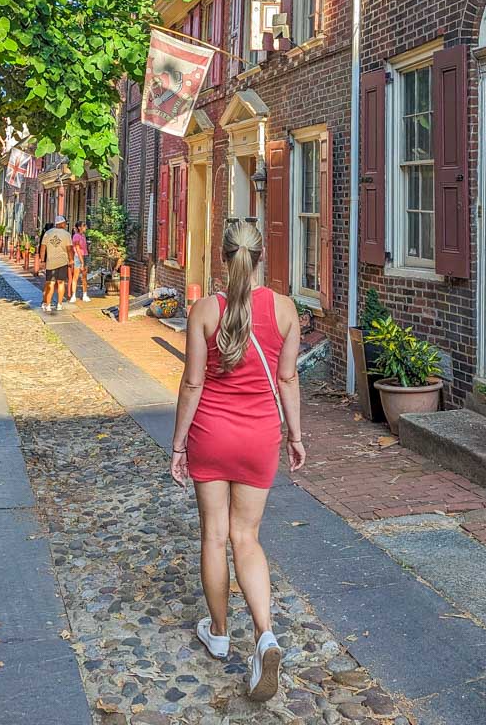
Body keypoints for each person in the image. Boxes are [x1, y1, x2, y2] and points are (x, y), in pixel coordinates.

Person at [170, 220, 305, 703]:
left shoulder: (205, 310)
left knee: (214, 534)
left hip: (212, 434)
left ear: (223, 257)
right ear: (261, 256)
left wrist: (179, 444)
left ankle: (221, 631)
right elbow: (287, 379)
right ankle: (265, 635)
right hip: (259, 438)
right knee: (247, 536)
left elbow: (192, 383)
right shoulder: (285, 310)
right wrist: (294, 434)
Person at [40, 215, 73, 312]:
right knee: (61, 283)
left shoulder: (47, 233)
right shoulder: (67, 234)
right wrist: (71, 260)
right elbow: (69, 249)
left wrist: (42, 260)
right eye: (65, 223)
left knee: (51, 283)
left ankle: (48, 305)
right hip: (62, 261)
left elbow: (43, 248)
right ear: (62, 223)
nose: (66, 225)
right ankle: (59, 304)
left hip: (51, 261)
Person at [69, 221, 90, 303]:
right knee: (76, 277)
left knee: (84, 277)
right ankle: (73, 295)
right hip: (78, 257)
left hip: (85, 256)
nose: (85, 227)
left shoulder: (83, 236)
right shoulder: (76, 236)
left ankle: (85, 294)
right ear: (79, 227)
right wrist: (81, 261)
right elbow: (77, 249)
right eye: (84, 226)